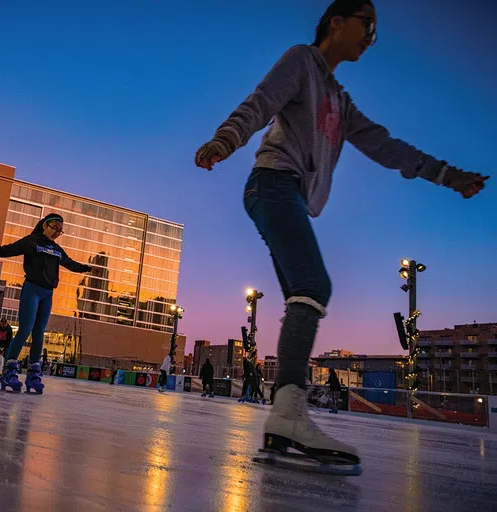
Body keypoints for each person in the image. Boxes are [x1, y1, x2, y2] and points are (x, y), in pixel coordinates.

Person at [195, 0, 487, 469]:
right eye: (366, 24)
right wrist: (225, 140)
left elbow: (387, 147)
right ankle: (288, 415)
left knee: (302, 295)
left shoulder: (340, 101)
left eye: (376, 30)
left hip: (286, 194)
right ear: (336, 21)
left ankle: (283, 419)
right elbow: (260, 103)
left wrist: (447, 175)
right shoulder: (300, 61)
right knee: (314, 285)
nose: (372, 36)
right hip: (273, 183)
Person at [0, 213, 92, 393]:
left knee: (39, 333)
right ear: (44, 225)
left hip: (47, 293)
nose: (56, 232)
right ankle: (9, 371)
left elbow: (71, 264)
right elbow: (7, 250)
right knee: (25, 330)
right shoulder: (32, 241)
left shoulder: (57, 249)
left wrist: (88, 268)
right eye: (54, 227)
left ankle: (33, 373)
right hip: (32, 289)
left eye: (60, 230)